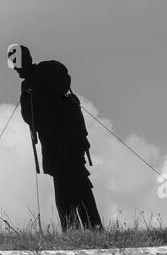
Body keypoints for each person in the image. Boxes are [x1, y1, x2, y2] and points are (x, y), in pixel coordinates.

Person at [13, 45, 102, 230]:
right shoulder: (42, 77)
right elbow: (31, 117)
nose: (16, 69)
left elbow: (30, 117)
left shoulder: (38, 78)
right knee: (73, 183)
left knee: (71, 184)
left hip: (61, 142)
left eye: (16, 64)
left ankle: (81, 227)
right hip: (64, 141)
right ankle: (83, 227)